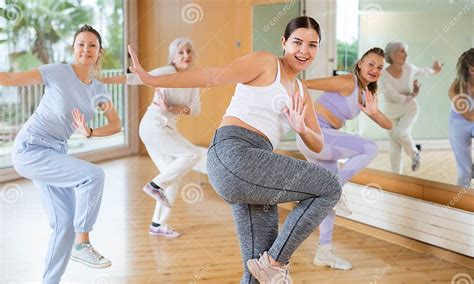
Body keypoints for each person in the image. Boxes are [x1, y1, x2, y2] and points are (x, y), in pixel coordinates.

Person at [128, 16, 342, 284]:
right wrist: (151, 79)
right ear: (284, 43)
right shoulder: (266, 63)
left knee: (254, 273)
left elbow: (318, 144)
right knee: (330, 186)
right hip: (235, 154)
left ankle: (266, 266)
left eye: (312, 45)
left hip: (254, 169)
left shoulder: (301, 91)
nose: (304, 51)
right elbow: (213, 75)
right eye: (297, 42)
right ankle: (274, 263)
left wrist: (301, 129)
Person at [4, 25, 121, 283]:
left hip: (56, 153)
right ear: (73, 48)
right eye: (81, 44)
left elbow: (116, 125)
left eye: (92, 45)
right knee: (93, 176)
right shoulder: (57, 72)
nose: (86, 49)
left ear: (99, 52)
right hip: (31, 148)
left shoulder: (99, 90)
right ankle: (83, 242)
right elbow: (12, 79)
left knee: (64, 224)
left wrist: (90, 131)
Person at [299, 47, 392, 270]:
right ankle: (334, 189)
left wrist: (374, 113)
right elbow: (304, 84)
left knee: (328, 202)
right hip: (316, 135)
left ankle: (324, 251)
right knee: (369, 147)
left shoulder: (364, 92)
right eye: (371, 64)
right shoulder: (347, 81)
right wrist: (299, 113)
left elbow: (389, 125)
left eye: (379, 67)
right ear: (360, 63)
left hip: (324, 140)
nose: (375, 70)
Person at [101, 38, 201, 237]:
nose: (186, 56)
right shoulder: (165, 72)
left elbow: (196, 109)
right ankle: (155, 185)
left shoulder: (194, 79)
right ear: (173, 56)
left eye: (189, 51)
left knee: (172, 177)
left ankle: (157, 224)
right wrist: (99, 81)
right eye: (181, 52)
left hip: (165, 128)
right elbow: (135, 78)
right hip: (153, 126)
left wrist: (171, 108)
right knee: (193, 154)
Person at [380, 41, 443, 174]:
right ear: (392, 54)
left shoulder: (409, 68)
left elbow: (424, 71)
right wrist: (412, 94)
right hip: (390, 113)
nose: (406, 54)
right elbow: (393, 97)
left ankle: (414, 154)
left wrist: (435, 70)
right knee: (395, 147)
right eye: (402, 51)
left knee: (399, 134)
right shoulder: (383, 76)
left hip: (409, 109)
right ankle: (397, 179)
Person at [448, 48, 474, 188]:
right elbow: (469, 116)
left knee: (469, 170)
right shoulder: (457, 85)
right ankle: (461, 205)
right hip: (458, 123)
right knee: (465, 173)